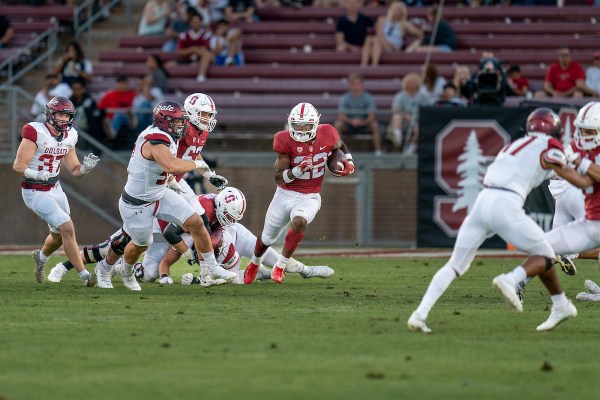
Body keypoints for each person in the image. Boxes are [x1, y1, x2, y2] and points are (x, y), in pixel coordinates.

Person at [407, 108, 593, 333]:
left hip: (482, 201)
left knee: (455, 265)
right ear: (555, 130)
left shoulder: (513, 145)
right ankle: (513, 282)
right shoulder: (551, 147)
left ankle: (420, 314)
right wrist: (583, 173)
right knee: (546, 254)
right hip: (506, 203)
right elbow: (576, 178)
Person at [48, 91, 222, 283]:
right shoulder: (176, 130)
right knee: (121, 241)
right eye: (204, 114)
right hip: (163, 185)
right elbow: (168, 161)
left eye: (209, 114)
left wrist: (209, 174)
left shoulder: (195, 130)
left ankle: (208, 272)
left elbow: (193, 153)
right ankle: (68, 266)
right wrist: (178, 178)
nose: (207, 118)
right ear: (192, 112)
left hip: (171, 185)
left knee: (199, 223)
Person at [94, 100, 234, 290]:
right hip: (138, 202)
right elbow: (171, 166)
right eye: (177, 122)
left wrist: (202, 174)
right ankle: (107, 269)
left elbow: (175, 166)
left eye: (182, 121)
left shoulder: (169, 136)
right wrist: (199, 165)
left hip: (160, 194)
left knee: (197, 222)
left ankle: (213, 268)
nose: (182, 125)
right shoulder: (156, 140)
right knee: (141, 244)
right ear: (164, 121)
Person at [243, 102, 355, 285]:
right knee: (266, 238)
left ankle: (280, 266)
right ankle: (254, 264)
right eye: (297, 125)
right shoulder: (284, 139)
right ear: (290, 123)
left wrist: (349, 161)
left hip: (310, 196)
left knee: (299, 221)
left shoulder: (327, 132)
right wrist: (298, 170)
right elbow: (278, 178)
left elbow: (339, 144)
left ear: (315, 125)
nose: (301, 130)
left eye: (306, 126)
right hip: (285, 194)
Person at [510, 102, 600, 307]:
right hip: (576, 193)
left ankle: (520, 280)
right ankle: (571, 253)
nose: (583, 135)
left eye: (588, 130)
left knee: (549, 248)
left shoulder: (574, 146)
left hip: (563, 193)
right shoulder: (582, 147)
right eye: (582, 130)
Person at [12, 96, 100, 286]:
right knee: (67, 227)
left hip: (55, 188)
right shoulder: (36, 131)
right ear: (50, 114)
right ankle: (84, 276)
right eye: (60, 114)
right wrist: (35, 173)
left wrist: (85, 168)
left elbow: (75, 170)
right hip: (34, 190)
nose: (64, 119)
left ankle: (41, 258)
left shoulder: (70, 136)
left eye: (67, 116)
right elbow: (18, 165)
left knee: (59, 236)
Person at [360, 1, 421, 67]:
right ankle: (364, 64)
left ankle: (374, 65)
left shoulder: (403, 24)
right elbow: (379, 34)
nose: (397, 12)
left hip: (394, 47)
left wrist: (418, 41)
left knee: (376, 40)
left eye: (399, 10)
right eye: (395, 9)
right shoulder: (382, 19)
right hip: (382, 42)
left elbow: (418, 33)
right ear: (390, 9)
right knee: (369, 39)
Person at [334, 72, 382, 155]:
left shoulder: (368, 97)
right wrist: (351, 121)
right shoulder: (345, 98)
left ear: (362, 84)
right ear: (350, 85)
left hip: (364, 124)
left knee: (374, 125)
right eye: (354, 84)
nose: (356, 86)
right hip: (349, 125)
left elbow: (372, 116)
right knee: (338, 124)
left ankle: (378, 151)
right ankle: (336, 151)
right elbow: (341, 116)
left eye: (358, 84)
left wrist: (362, 122)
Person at [390, 72, 430, 154]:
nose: (411, 85)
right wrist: (406, 116)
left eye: (413, 83)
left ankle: (411, 149)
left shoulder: (423, 97)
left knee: (420, 129)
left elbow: (428, 110)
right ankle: (397, 138)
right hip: (404, 121)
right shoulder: (400, 96)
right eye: (409, 83)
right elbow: (395, 109)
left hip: (418, 121)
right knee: (397, 116)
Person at [69, 78, 110, 150]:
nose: (77, 91)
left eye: (79, 89)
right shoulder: (69, 102)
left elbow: (96, 113)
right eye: (75, 89)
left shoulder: (89, 100)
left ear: (83, 89)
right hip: (74, 128)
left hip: (89, 127)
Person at [97, 75, 137, 145]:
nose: (122, 86)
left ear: (127, 85)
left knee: (120, 114)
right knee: (117, 115)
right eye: (120, 84)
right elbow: (100, 108)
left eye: (124, 84)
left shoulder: (133, 95)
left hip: (129, 120)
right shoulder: (109, 95)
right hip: (111, 119)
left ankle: (112, 133)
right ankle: (111, 130)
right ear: (117, 84)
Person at [175, 11, 213, 82]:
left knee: (207, 55)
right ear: (190, 23)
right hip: (186, 60)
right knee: (169, 65)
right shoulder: (183, 35)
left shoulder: (206, 35)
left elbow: (205, 51)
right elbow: (179, 52)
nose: (195, 24)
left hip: (200, 60)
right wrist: (193, 49)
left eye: (197, 22)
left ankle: (201, 76)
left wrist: (191, 50)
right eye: (194, 22)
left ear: (201, 23)